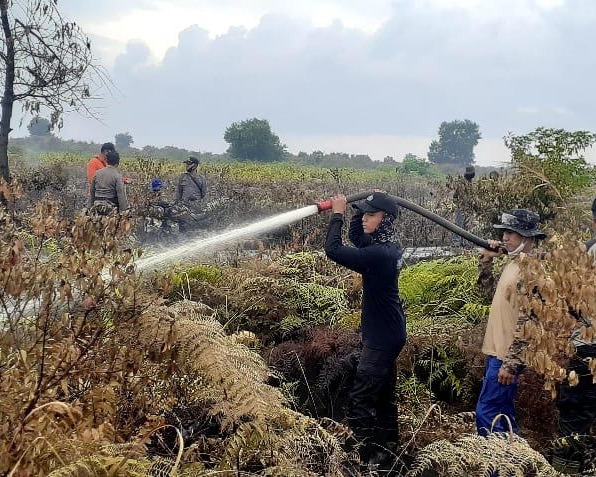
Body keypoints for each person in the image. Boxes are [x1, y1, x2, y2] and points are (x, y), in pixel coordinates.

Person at [324, 192, 406, 468]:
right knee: (383, 394)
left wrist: (337, 214)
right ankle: (388, 450)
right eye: (365, 214)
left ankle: (363, 457)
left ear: (386, 219)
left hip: (383, 337)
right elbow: (359, 239)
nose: (366, 219)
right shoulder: (387, 246)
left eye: (372, 215)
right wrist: (355, 210)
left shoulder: (380, 255)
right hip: (388, 331)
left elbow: (333, 249)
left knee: (361, 396)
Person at [475, 209, 546, 436]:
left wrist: (511, 364)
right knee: (503, 414)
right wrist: (486, 261)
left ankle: (494, 468)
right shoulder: (513, 264)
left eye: (511, 233)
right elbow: (487, 296)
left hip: (506, 357)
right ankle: (515, 464)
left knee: (487, 412)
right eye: (505, 232)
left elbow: (530, 322)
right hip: (496, 352)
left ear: (527, 238)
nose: (505, 237)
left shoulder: (531, 272)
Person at [550, 198, 596, 472]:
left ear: (593, 221)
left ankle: (567, 470)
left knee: (575, 416)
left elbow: (567, 304)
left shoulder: (585, 253)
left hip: (586, 347)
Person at [88, 151, 129, 215]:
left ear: (106, 161)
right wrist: (124, 212)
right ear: (118, 162)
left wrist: (89, 208)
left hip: (96, 207)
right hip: (110, 209)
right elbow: (121, 195)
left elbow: (92, 191)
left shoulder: (97, 173)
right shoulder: (117, 176)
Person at [174, 156, 206, 232]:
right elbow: (178, 193)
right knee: (182, 226)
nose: (187, 166)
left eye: (189, 164)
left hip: (196, 206)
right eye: (186, 164)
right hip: (184, 206)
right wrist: (176, 204)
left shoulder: (201, 178)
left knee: (195, 227)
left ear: (195, 165)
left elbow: (204, 194)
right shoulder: (182, 177)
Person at [452, 165, 475, 247]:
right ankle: (456, 243)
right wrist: (458, 204)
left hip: (469, 208)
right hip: (461, 208)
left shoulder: (473, 184)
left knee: (468, 227)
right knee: (459, 225)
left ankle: (466, 243)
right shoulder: (461, 183)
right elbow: (455, 196)